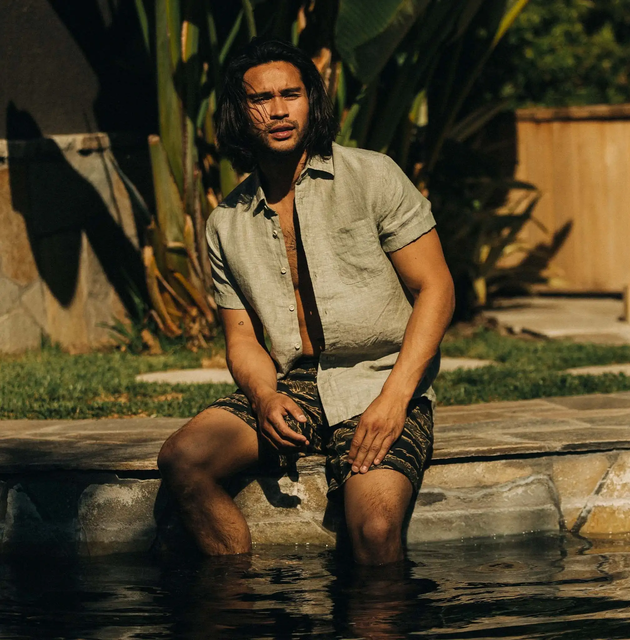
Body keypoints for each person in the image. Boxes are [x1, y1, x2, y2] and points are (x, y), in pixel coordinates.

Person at [157, 38, 455, 566]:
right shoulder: (227, 222)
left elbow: (436, 288)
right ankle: (238, 603)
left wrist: (394, 400)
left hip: (380, 377)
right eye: (260, 99)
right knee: (183, 460)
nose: (277, 110)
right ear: (239, 112)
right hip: (295, 384)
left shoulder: (372, 175)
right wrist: (265, 397)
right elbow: (242, 340)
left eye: (290, 94)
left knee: (376, 529)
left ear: (310, 102)